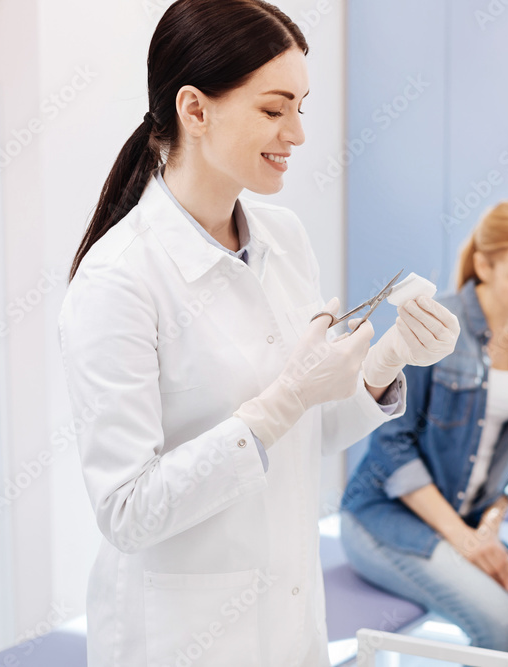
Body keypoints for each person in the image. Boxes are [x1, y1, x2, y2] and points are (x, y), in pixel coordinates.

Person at [56, 2, 459, 665]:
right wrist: (281, 403)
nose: (298, 133)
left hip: (292, 625)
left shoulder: (285, 237)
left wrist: (389, 358)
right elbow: (127, 510)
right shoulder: (118, 281)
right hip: (180, 640)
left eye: (302, 106)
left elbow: (305, 436)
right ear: (194, 109)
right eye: (274, 110)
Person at [339, 200, 508, 652]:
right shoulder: (434, 327)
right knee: (498, 624)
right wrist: (464, 540)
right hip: (385, 520)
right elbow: (391, 448)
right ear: (484, 264)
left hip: (466, 523)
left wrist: (487, 530)